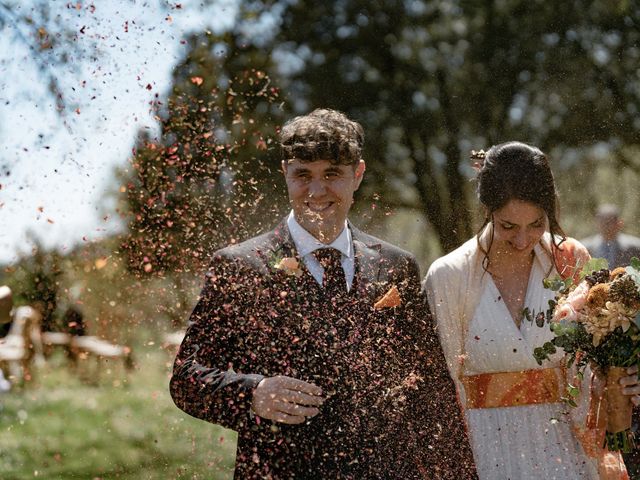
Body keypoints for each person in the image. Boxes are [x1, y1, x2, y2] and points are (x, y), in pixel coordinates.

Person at [170, 108, 477, 479]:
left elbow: (431, 392)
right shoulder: (239, 267)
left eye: (332, 174)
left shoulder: (397, 267)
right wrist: (253, 393)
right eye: (303, 175)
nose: (317, 191)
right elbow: (187, 378)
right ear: (286, 173)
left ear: (357, 174)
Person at [423, 142, 640, 479]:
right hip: (486, 447)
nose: (524, 240)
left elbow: (586, 364)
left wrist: (611, 382)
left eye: (537, 224)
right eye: (508, 226)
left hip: (565, 447)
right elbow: (442, 385)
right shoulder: (450, 275)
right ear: (486, 209)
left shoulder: (569, 259)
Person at [581, 204, 640, 268]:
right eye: (602, 222)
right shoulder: (584, 249)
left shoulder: (635, 247)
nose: (605, 226)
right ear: (596, 223)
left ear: (619, 223)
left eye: (609, 222)